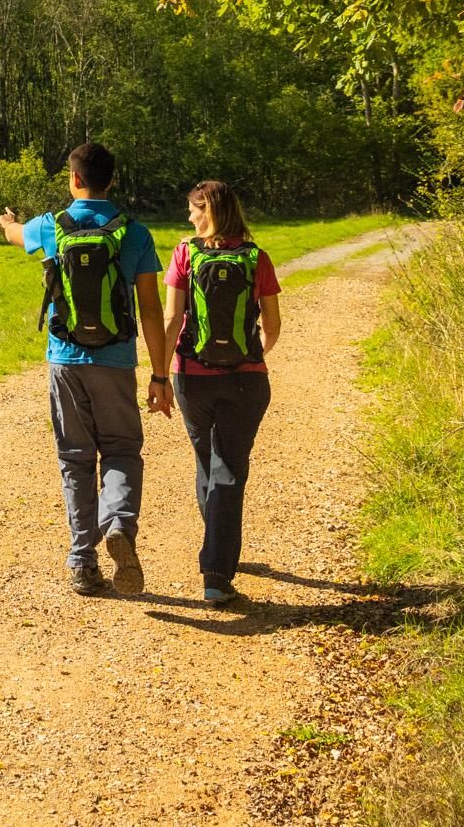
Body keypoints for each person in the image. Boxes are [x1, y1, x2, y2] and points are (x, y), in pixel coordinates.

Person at [0, 142, 172, 597]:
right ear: (111, 181)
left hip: (65, 359)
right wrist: (160, 375)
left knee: (75, 459)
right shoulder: (135, 233)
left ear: (74, 179)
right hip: (116, 362)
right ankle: (119, 524)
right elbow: (151, 310)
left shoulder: (51, 226)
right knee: (121, 450)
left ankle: (82, 562)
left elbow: (15, 235)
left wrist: (8, 223)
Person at [163, 179, 282, 607]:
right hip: (245, 380)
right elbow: (273, 326)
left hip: (192, 378)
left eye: (193, 209)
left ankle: (218, 549)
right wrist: (249, 356)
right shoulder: (256, 257)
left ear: (206, 212)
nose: (188, 216)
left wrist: (160, 373)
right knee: (228, 467)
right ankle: (216, 569)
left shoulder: (185, 253)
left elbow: (172, 318)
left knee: (207, 463)